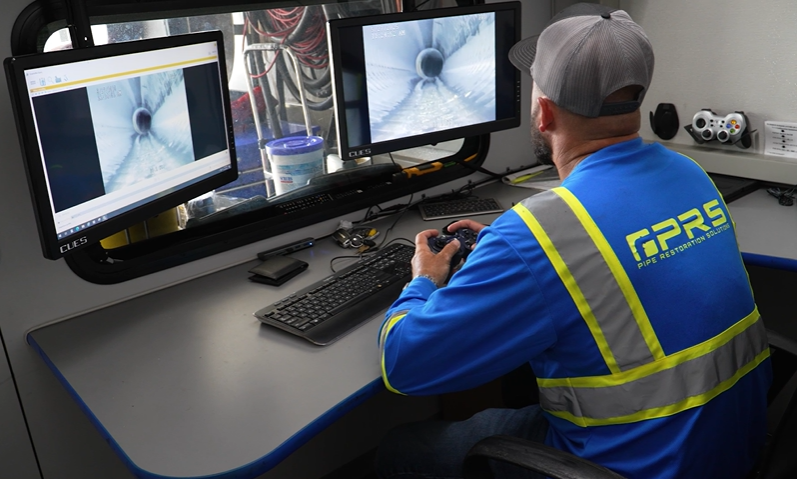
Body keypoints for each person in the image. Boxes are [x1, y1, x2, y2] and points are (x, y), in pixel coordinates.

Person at [374, 3, 772, 479]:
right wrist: (510, 247)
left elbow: (406, 366)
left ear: (543, 113)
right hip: (729, 447)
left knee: (402, 449)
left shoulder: (539, 233)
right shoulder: (688, 171)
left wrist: (424, 280)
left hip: (627, 464)